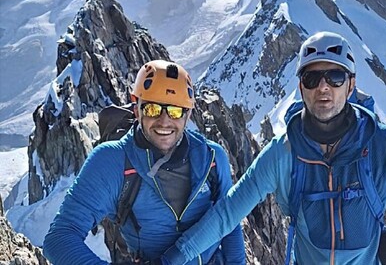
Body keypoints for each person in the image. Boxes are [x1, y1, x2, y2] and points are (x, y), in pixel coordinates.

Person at [161, 31, 386, 265]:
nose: (323, 87)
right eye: (312, 77)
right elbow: (228, 213)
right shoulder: (283, 153)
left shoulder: (382, 145)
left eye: (335, 76)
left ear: (351, 85)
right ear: (301, 88)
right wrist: (173, 257)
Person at [43, 60, 246, 265]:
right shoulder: (112, 162)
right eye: (152, 109)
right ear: (137, 108)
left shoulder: (212, 157)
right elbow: (59, 238)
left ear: (188, 113)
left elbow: (229, 222)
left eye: (175, 111)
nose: (165, 121)